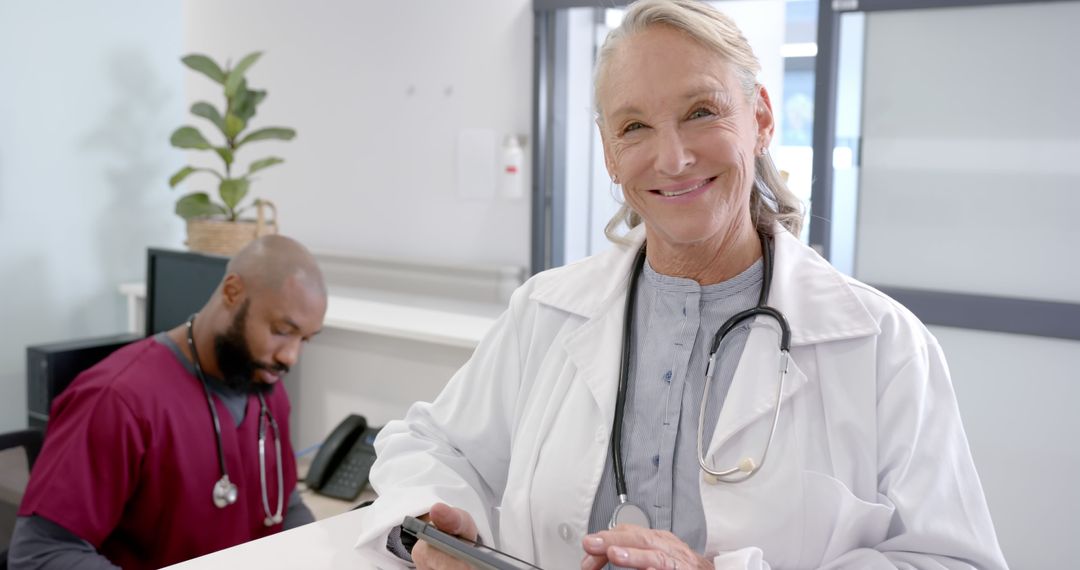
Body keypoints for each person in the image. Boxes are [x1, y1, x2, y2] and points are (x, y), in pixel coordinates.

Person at [353, 1, 1007, 568]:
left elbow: (951, 560)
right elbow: (428, 443)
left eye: (701, 111)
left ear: (761, 119)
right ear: (609, 153)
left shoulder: (882, 345)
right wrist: (442, 530)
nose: (672, 158)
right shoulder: (546, 312)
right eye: (635, 126)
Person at [10, 235, 328, 570]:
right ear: (233, 292)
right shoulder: (117, 399)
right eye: (281, 330)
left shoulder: (265, 387)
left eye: (305, 339)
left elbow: (282, 505)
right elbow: (40, 555)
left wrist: (325, 558)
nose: (290, 357)